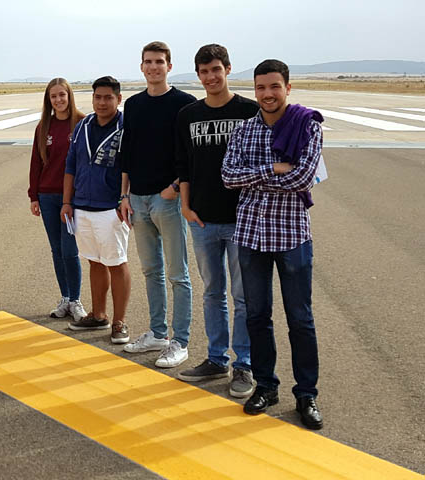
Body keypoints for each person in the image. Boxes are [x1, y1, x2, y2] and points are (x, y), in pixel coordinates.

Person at [222, 59, 324, 430]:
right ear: (255, 89)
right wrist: (273, 169)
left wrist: (258, 176)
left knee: (300, 318)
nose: (267, 94)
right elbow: (228, 178)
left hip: (292, 235)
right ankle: (266, 385)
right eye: (261, 87)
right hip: (250, 235)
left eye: (274, 87)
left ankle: (306, 393)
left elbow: (302, 178)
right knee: (256, 316)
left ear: (288, 88)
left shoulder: (307, 125)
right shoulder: (244, 130)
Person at [173, 44, 259, 398]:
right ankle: (215, 358)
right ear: (198, 75)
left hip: (242, 220)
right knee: (212, 293)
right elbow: (184, 166)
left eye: (216, 70)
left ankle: (244, 366)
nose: (211, 77)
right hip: (203, 220)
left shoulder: (249, 111)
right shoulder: (188, 115)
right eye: (204, 72)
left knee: (243, 296)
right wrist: (187, 208)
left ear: (227, 70)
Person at [119, 41, 196, 368]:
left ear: (169, 66)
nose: (153, 67)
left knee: (177, 273)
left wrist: (176, 188)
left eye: (159, 62)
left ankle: (180, 341)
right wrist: (124, 195)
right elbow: (127, 153)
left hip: (168, 200)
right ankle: (157, 333)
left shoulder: (184, 103)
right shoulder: (134, 105)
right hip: (137, 198)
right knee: (151, 271)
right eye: (148, 62)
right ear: (141, 67)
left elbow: (190, 156)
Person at [59, 76, 131, 345]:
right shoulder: (82, 126)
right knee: (94, 260)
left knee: (116, 262)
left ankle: (119, 321)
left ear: (118, 99)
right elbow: (70, 166)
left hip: (111, 207)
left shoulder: (126, 127)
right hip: (82, 207)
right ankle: (98, 313)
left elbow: (131, 167)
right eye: (97, 97)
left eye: (108, 97)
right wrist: (67, 202)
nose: (102, 102)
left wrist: (124, 198)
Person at [28, 78, 88, 322]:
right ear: (48, 100)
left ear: (69, 96)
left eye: (62, 95)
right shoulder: (44, 127)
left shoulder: (82, 122)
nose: (58, 100)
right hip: (47, 195)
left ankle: (76, 300)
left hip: (71, 199)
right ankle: (65, 298)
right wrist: (34, 195)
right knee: (56, 249)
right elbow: (36, 162)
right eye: (54, 96)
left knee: (70, 250)